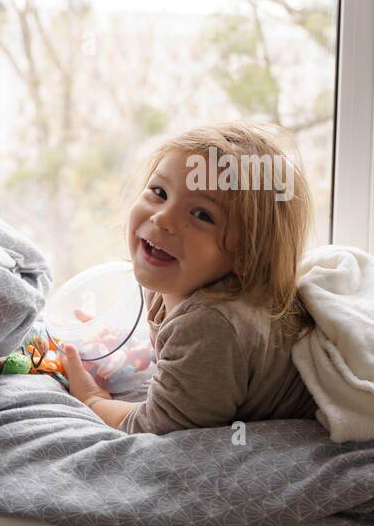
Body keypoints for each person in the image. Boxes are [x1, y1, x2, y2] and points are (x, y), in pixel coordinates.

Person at [61, 122, 320, 434]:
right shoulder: (169, 284)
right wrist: (122, 349)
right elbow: (180, 358)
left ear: (247, 255)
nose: (163, 218)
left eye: (201, 215)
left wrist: (92, 399)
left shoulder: (211, 326)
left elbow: (156, 427)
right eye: (159, 192)